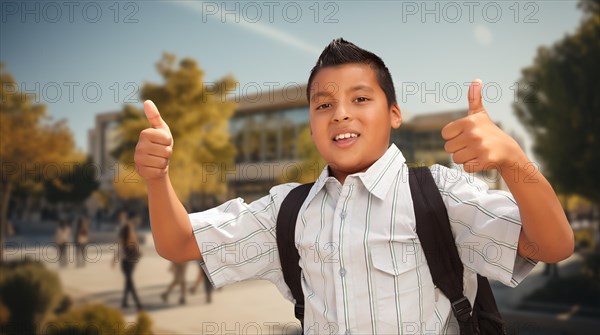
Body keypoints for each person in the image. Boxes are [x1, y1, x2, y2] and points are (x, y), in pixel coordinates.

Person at [135, 38, 574, 333]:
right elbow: (178, 243)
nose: (340, 113)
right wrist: (157, 178)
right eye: (323, 104)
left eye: (361, 98)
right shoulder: (286, 211)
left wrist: (515, 161)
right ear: (311, 126)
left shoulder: (439, 194)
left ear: (395, 113)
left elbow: (551, 245)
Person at [113, 217, 143, 311]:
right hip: (127, 263)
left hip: (130, 263)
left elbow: (136, 250)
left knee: (128, 283)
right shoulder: (127, 239)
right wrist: (114, 260)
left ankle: (124, 302)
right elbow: (120, 249)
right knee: (130, 283)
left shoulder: (131, 237)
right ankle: (138, 304)